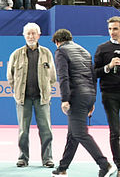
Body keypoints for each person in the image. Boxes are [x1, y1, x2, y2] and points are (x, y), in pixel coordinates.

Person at [51, 29, 117, 177]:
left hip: (76, 96)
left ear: (57, 42)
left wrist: (65, 99)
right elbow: (92, 76)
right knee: (73, 134)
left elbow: (63, 77)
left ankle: (104, 164)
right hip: (88, 95)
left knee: (80, 133)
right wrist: (92, 100)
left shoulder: (61, 51)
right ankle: (62, 168)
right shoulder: (85, 51)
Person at [7, 23, 56, 168]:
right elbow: (10, 76)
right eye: (28, 33)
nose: (31, 36)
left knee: (46, 130)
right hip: (23, 99)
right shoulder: (16, 54)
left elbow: (52, 77)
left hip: (42, 98)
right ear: (24, 35)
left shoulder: (47, 53)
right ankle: (23, 158)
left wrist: (46, 90)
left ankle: (47, 158)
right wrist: (17, 91)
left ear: (39, 35)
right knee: (23, 131)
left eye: (34, 33)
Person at [94, 16, 120, 176]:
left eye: (115, 28)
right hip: (109, 94)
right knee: (115, 131)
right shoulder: (102, 48)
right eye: (110, 29)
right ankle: (119, 165)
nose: (112, 32)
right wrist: (108, 67)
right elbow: (94, 72)